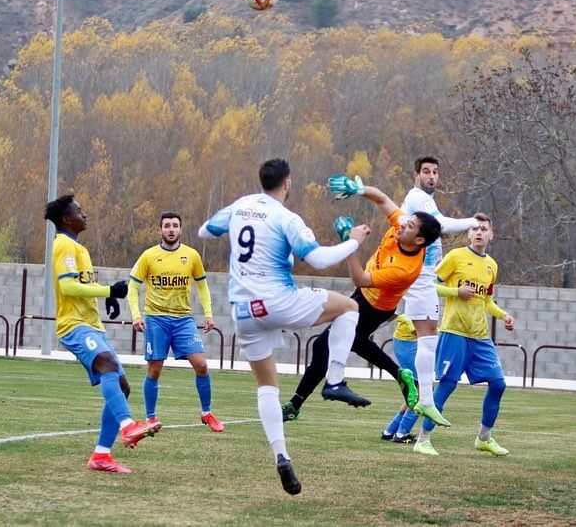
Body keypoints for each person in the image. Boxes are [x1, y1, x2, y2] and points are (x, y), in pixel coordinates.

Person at [199, 158, 371, 495]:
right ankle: (334, 380)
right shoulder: (285, 217)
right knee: (349, 307)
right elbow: (319, 259)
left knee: (267, 385)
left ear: (261, 180)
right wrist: (354, 241)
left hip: (244, 311)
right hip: (278, 302)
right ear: (287, 184)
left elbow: (205, 231)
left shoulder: (241, 206)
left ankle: (281, 455)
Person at [282, 175, 442, 427]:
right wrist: (358, 189)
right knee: (337, 344)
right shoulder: (404, 227)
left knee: (329, 344)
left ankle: (297, 403)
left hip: (375, 307)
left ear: (420, 240)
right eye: (406, 221)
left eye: (409, 227)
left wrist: (350, 242)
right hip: (363, 298)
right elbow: (383, 198)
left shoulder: (404, 269)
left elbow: (359, 278)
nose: (402, 226)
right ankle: (398, 375)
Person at [45, 194, 158, 475]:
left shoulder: (77, 247)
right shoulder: (64, 246)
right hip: (74, 325)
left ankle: (101, 455)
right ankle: (128, 426)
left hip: (91, 324)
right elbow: (69, 288)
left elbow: (81, 286)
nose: (85, 215)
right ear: (66, 219)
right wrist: (109, 290)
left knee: (121, 387)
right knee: (106, 362)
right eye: (79, 211)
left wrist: (105, 296)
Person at [412, 213, 516, 457]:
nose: (479, 232)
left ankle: (484, 438)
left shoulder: (492, 265)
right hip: (454, 332)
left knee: (498, 384)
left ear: (491, 235)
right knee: (447, 385)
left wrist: (503, 316)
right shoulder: (456, 256)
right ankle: (423, 439)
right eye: (475, 228)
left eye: (484, 229)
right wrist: (456, 291)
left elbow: (486, 301)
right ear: (469, 233)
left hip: (479, 335)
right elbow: (430, 285)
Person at [401, 156, 480, 426]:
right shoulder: (419, 198)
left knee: (426, 334)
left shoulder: (421, 201)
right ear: (416, 175)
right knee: (427, 334)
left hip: (418, 271)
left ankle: (423, 398)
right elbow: (442, 224)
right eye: (426, 172)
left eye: (435, 172)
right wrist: (472, 221)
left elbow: (436, 228)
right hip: (420, 273)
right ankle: (425, 399)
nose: (431, 176)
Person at [128, 211, 224, 432]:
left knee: (201, 365)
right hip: (156, 319)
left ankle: (207, 413)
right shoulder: (148, 256)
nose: (171, 229)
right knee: (154, 370)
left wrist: (208, 313)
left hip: (183, 320)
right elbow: (133, 287)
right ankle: (151, 418)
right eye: (167, 225)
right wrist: (136, 314)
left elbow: (202, 285)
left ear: (181, 229)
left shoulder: (192, 256)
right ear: (159, 230)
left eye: (175, 225)